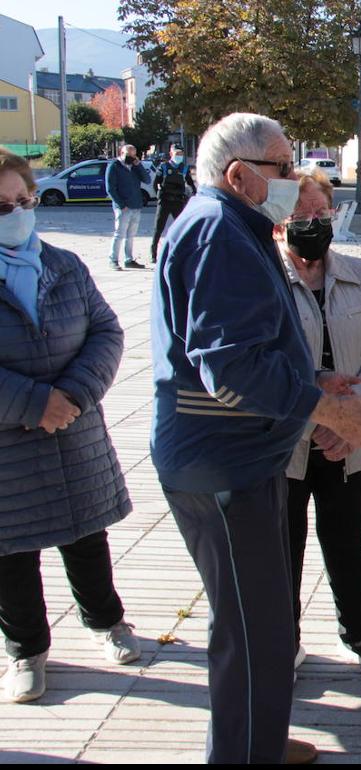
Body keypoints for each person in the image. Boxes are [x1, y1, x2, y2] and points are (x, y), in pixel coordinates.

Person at [151, 112, 361, 764]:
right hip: (224, 464)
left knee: (255, 622)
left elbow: (247, 349)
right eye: (283, 167)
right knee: (253, 628)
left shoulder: (232, 225)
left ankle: (253, 738)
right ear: (240, 175)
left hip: (235, 457)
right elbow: (229, 366)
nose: (294, 178)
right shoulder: (219, 231)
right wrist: (329, 411)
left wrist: (313, 381)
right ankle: (245, 752)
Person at [0, 148, 141, 704]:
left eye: (24, 200)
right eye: (2, 206)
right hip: (10, 447)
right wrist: (35, 403)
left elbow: (106, 332)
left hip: (75, 431)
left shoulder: (64, 264)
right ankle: (25, 649)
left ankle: (105, 621)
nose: (16, 213)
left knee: (86, 536)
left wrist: (74, 395)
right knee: (11, 554)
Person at [277, 169, 361, 678]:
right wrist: (320, 420)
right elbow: (264, 364)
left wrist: (351, 420)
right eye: (299, 214)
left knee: (348, 539)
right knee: (284, 545)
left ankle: (359, 633)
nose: (312, 222)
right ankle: (283, 639)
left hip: (354, 441)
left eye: (320, 212)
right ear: (278, 221)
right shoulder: (263, 280)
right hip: (287, 442)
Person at [105, 144, 149, 271]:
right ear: (121, 153)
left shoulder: (134, 167)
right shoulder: (114, 166)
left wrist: (138, 165)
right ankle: (113, 259)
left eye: (134, 154)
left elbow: (147, 180)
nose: (131, 157)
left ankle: (128, 259)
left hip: (136, 205)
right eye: (129, 154)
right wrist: (121, 204)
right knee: (119, 234)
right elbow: (110, 189)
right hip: (123, 207)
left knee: (131, 235)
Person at [149, 147, 196, 262]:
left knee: (182, 227)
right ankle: (153, 254)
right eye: (177, 153)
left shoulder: (184, 168)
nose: (179, 156)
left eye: (181, 154)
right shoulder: (164, 167)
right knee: (158, 228)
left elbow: (190, 183)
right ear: (171, 154)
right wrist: (158, 197)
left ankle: (183, 253)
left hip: (178, 202)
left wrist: (194, 195)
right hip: (165, 201)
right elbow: (156, 183)